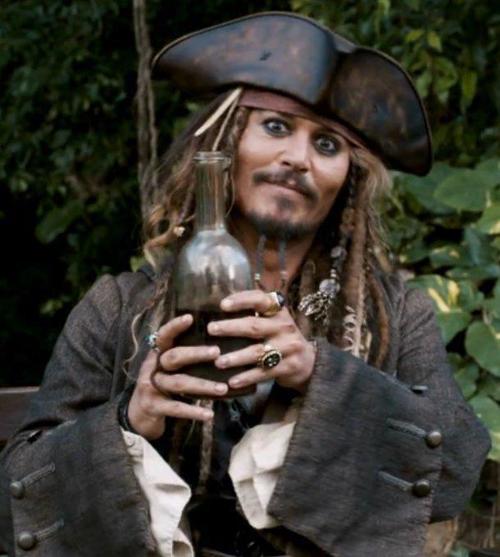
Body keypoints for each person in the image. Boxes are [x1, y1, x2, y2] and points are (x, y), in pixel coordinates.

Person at [0, 12, 491, 557]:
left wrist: (321, 375)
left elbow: (455, 471)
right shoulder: (119, 307)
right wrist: (129, 420)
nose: (298, 158)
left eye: (328, 145)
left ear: (347, 180)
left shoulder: (397, 314)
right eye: (276, 127)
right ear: (226, 143)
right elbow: (13, 500)